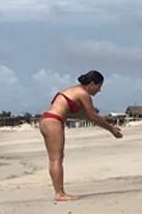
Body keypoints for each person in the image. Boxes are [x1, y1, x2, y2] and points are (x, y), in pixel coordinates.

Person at [39, 70, 123, 202]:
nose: (99, 91)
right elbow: (93, 116)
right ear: (91, 84)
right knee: (57, 159)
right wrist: (112, 129)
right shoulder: (83, 94)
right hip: (54, 121)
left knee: (54, 159)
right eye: (99, 87)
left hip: (46, 120)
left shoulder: (73, 90)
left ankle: (58, 191)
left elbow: (88, 114)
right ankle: (60, 193)